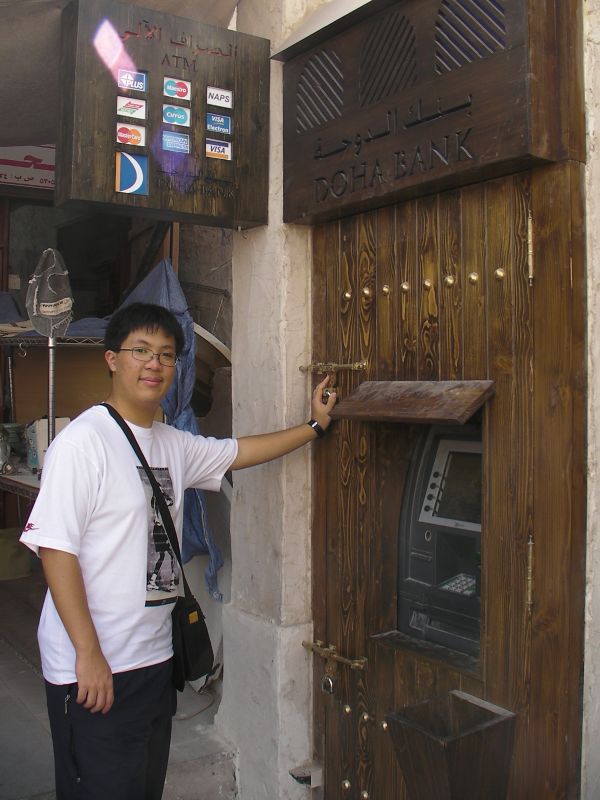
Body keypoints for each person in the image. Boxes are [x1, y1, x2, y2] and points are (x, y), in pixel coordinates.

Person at [20, 302, 336, 800]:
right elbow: (56, 551)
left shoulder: (173, 444)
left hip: (155, 660)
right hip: (95, 667)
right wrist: (88, 653)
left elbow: (240, 451)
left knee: (142, 787)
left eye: (166, 355)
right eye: (141, 351)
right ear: (111, 359)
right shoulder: (83, 443)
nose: (154, 364)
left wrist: (313, 426)